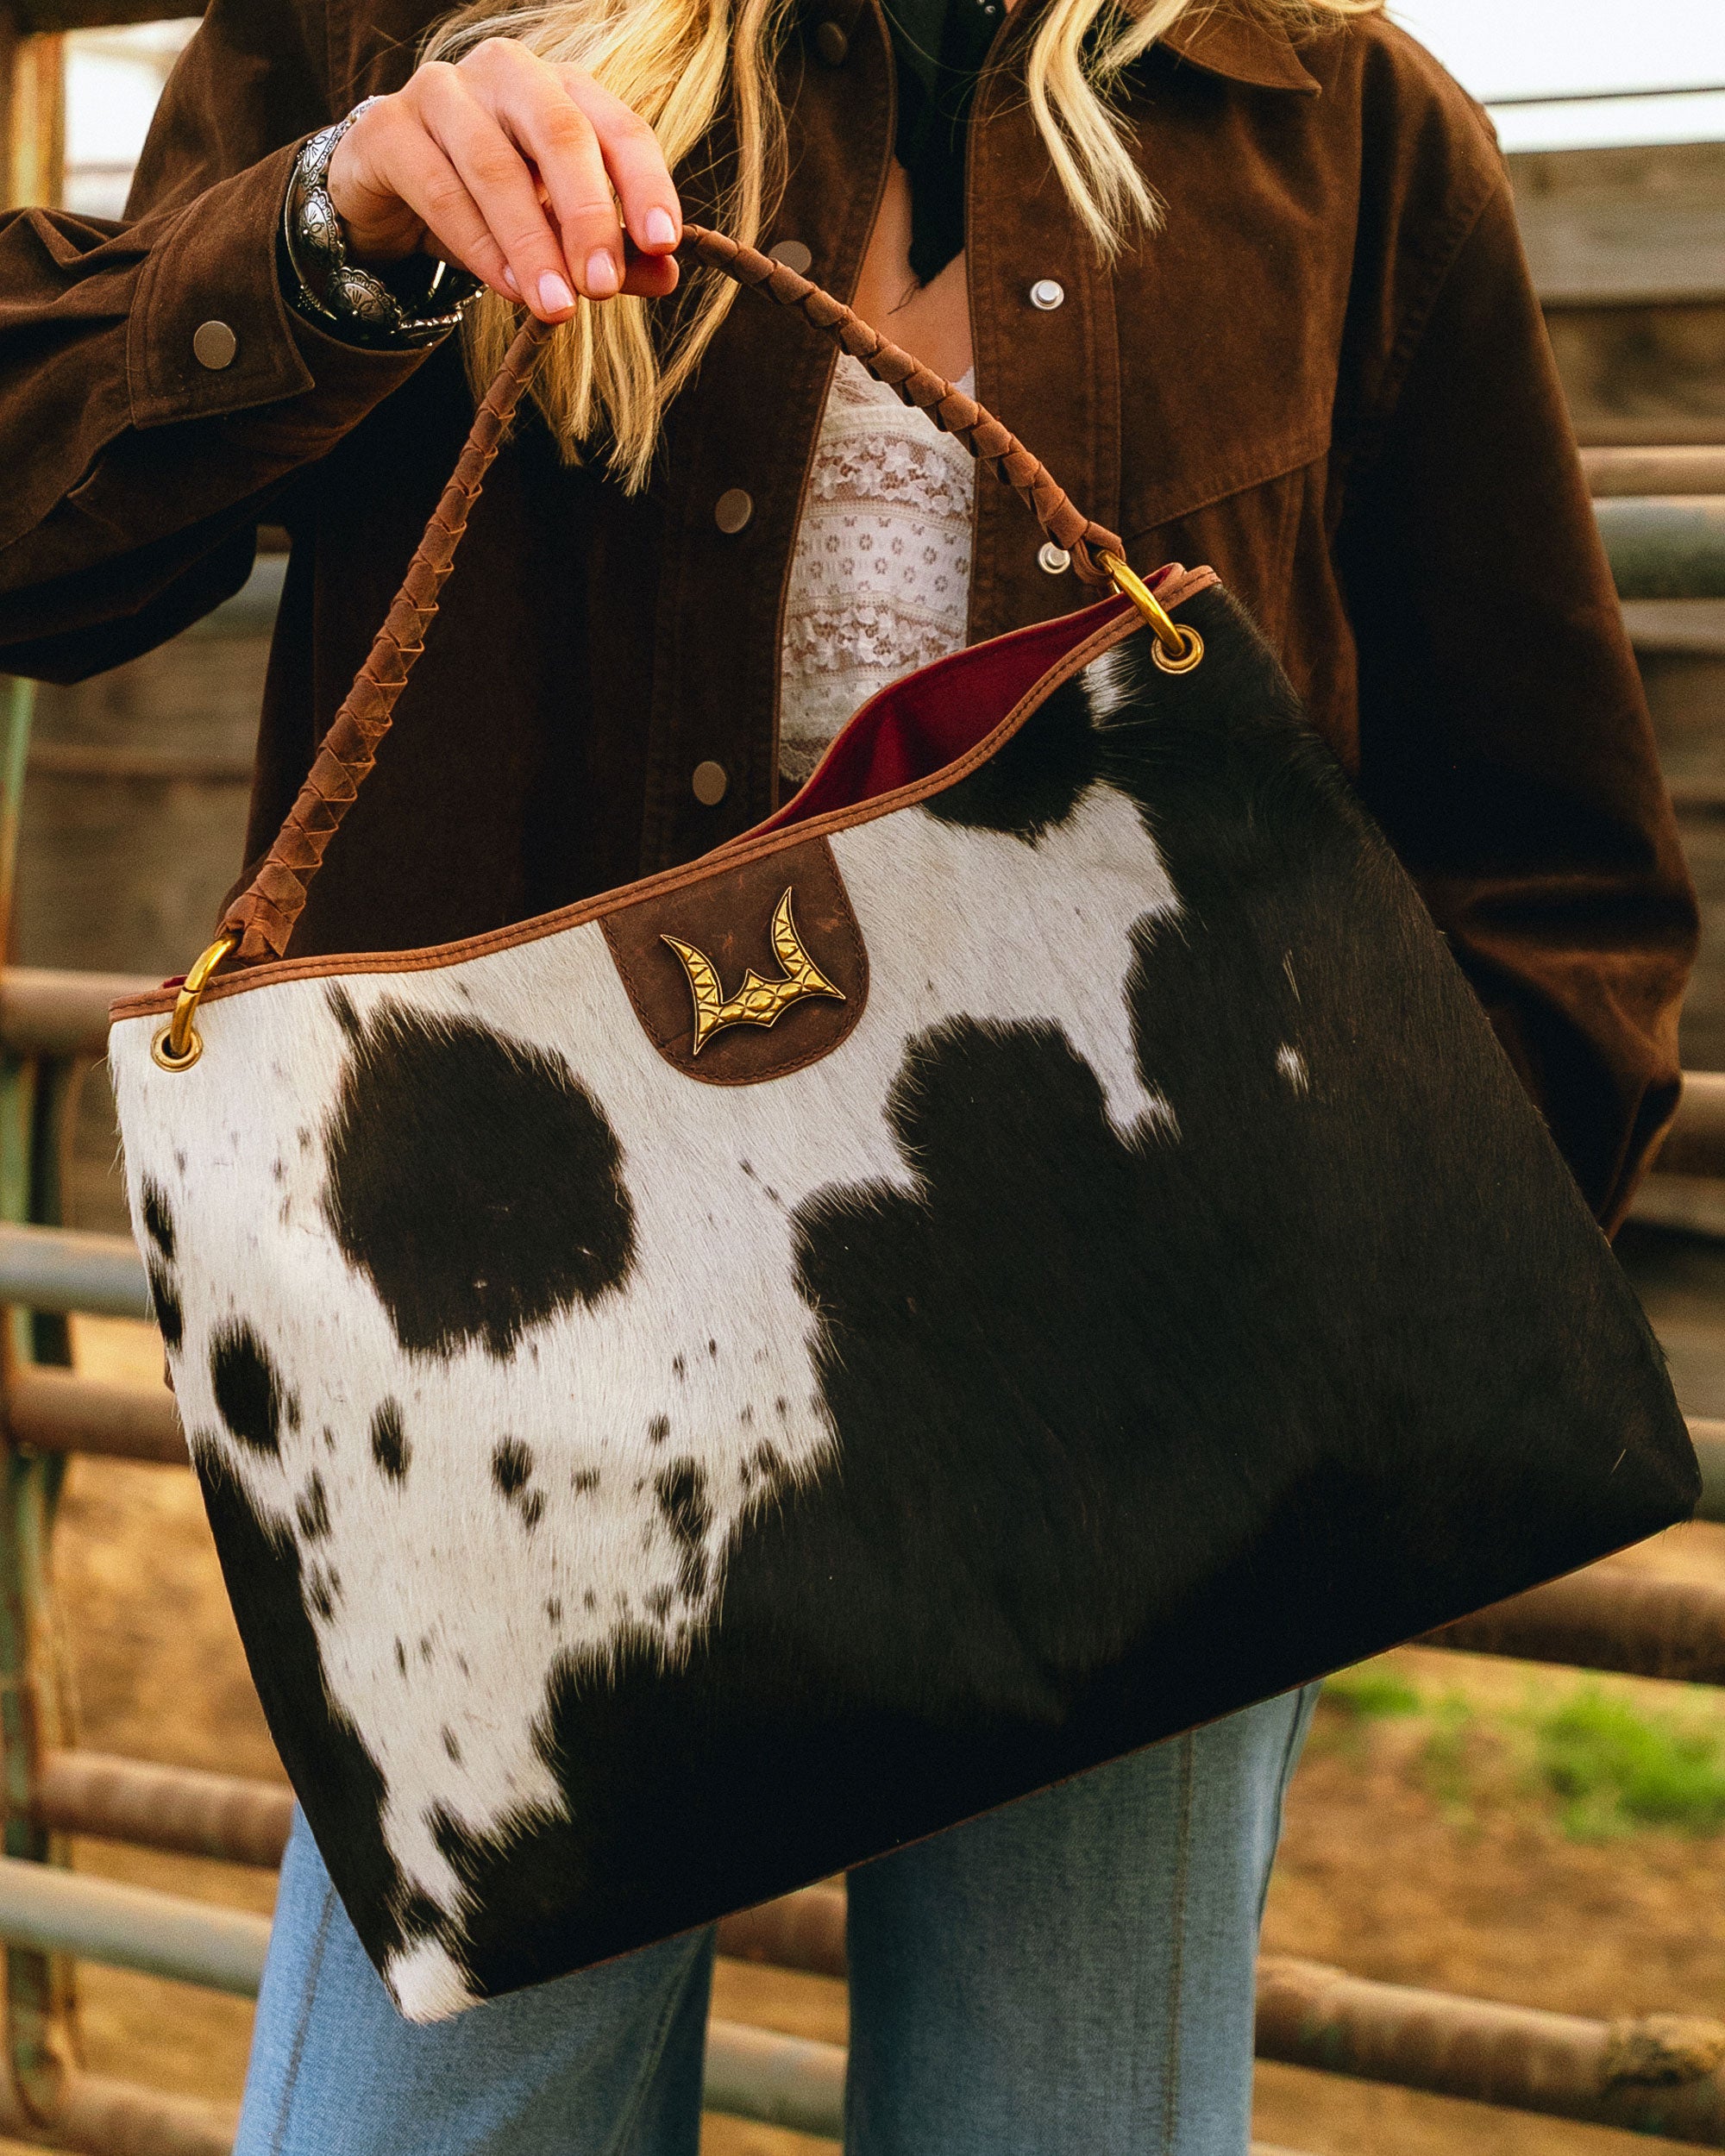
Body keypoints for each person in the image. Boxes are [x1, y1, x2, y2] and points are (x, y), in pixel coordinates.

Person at [0, 0, 1697, 2146]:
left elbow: (1548, 835)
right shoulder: (395, 33)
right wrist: (336, 228)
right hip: (536, 1363)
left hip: (1147, 1366)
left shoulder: (1334, 121)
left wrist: (1361, 1313)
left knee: (1064, 2123)